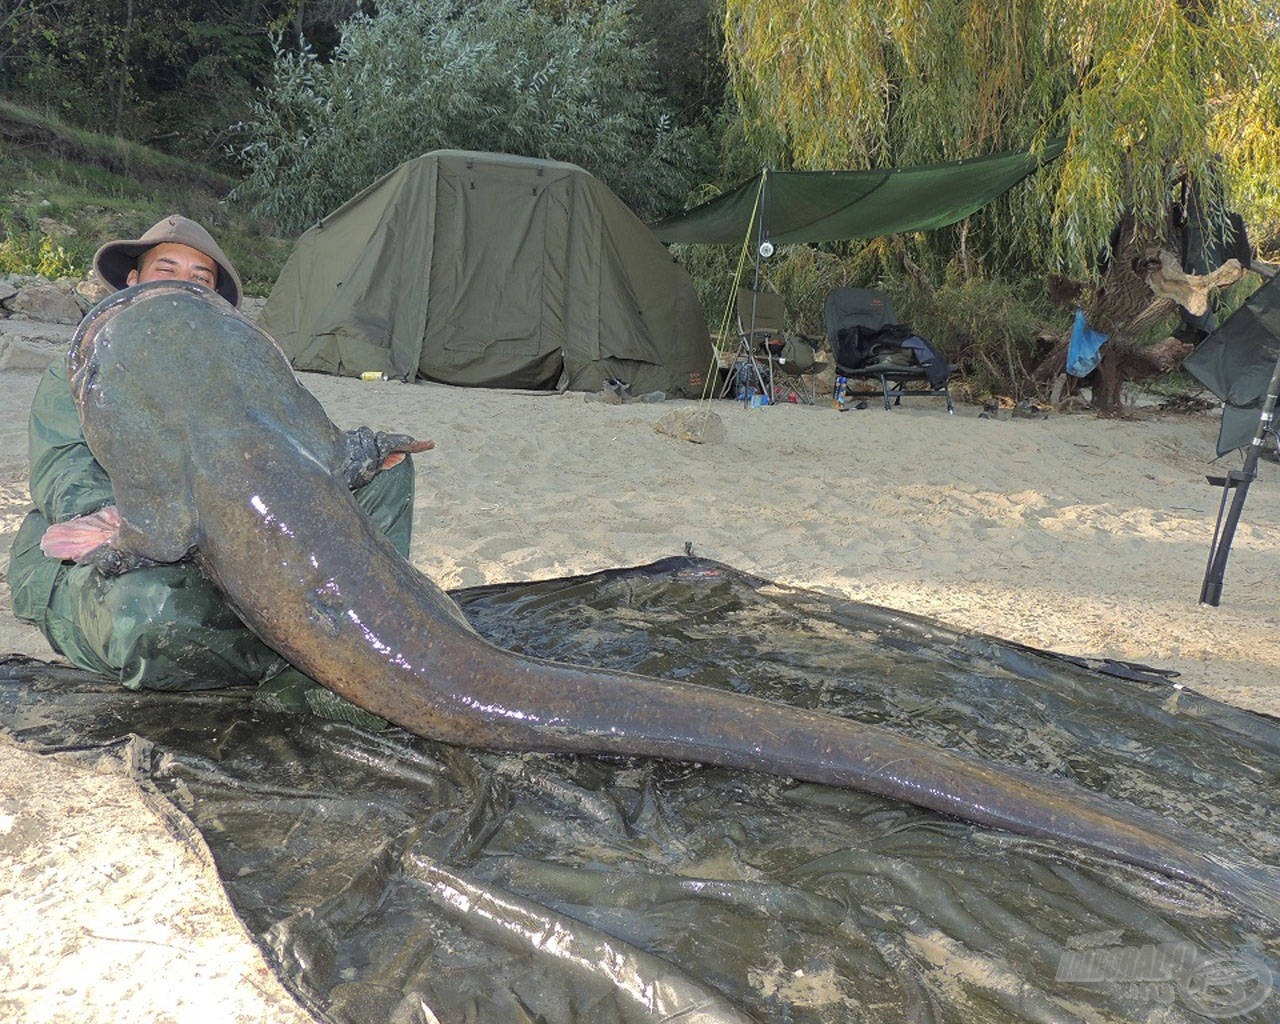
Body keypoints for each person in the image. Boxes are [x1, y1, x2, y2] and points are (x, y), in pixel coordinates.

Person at [6, 215, 422, 724]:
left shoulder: (241, 369)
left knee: (386, 470)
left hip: (225, 553)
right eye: (167, 268)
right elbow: (66, 477)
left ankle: (334, 646)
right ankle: (312, 651)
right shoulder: (86, 365)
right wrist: (131, 526)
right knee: (154, 625)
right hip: (125, 561)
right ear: (134, 282)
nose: (182, 281)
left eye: (199, 278)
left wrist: (352, 457)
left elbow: (299, 457)